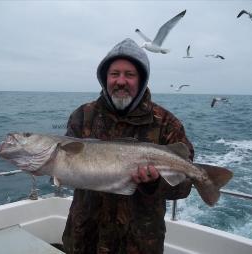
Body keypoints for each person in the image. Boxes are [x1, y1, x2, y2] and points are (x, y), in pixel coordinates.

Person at [62, 38, 194, 254]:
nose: (121, 81)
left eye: (129, 74)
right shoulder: (82, 116)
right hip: (84, 239)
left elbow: (185, 185)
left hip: (139, 244)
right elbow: (67, 168)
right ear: (105, 78)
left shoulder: (166, 124)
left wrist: (154, 184)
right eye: (115, 74)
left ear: (141, 80)